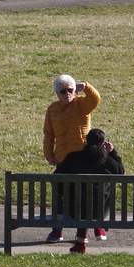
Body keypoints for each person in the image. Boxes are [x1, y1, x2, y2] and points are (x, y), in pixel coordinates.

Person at [42, 74, 101, 242]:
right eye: (63, 91)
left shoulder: (82, 104)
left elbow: (96, 99)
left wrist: (86, 86)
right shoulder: (52, 109)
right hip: (62, 159)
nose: (67, 94)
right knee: (60, 198)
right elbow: (48, 134)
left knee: (82, 198)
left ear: (75, 90)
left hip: (82, 159)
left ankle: (82, 233)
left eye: (70, 90)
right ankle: (57, 231)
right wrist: (49, 155)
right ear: (57, 93)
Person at [55, 128, 122, 251]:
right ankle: (96, 230)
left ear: (86, 141)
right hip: (101, 210)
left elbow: (57, 177)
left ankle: (80, 245)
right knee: (98, 194)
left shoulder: (73, 157)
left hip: (74, 209)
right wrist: (112, 153)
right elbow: (120, 172)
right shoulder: (107, 161)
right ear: (103, 144)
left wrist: (64, 191)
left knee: (81, 199)